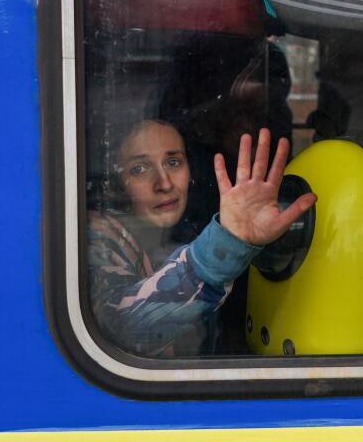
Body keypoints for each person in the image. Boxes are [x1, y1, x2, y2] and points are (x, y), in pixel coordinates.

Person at [87, 121, 316, 357]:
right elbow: (119, 334)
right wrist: (227, 245)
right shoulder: (94, 235)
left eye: (173, 162)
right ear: (116, 183)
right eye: (139, 169)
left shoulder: (186, 232)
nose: (164, 184)